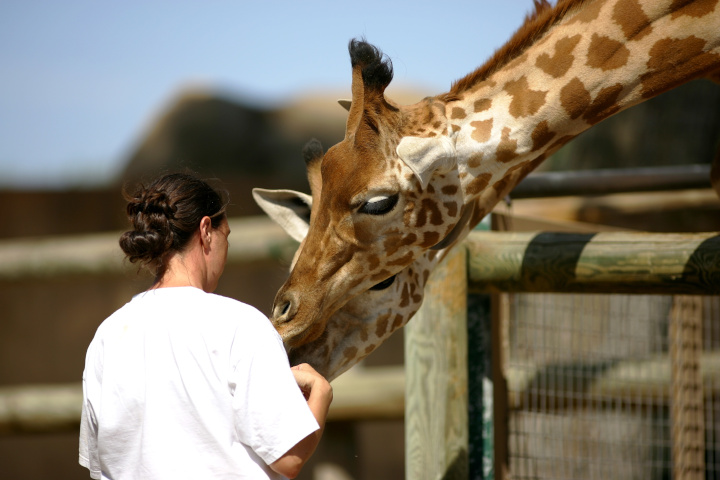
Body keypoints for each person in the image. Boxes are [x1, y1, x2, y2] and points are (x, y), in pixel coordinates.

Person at [79, 173, 332, 479]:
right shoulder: (242, 325)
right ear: (206, 231)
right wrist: (320, 392)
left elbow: (102, 464)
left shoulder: (108, 334)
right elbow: (289, 457)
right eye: (227, 235)